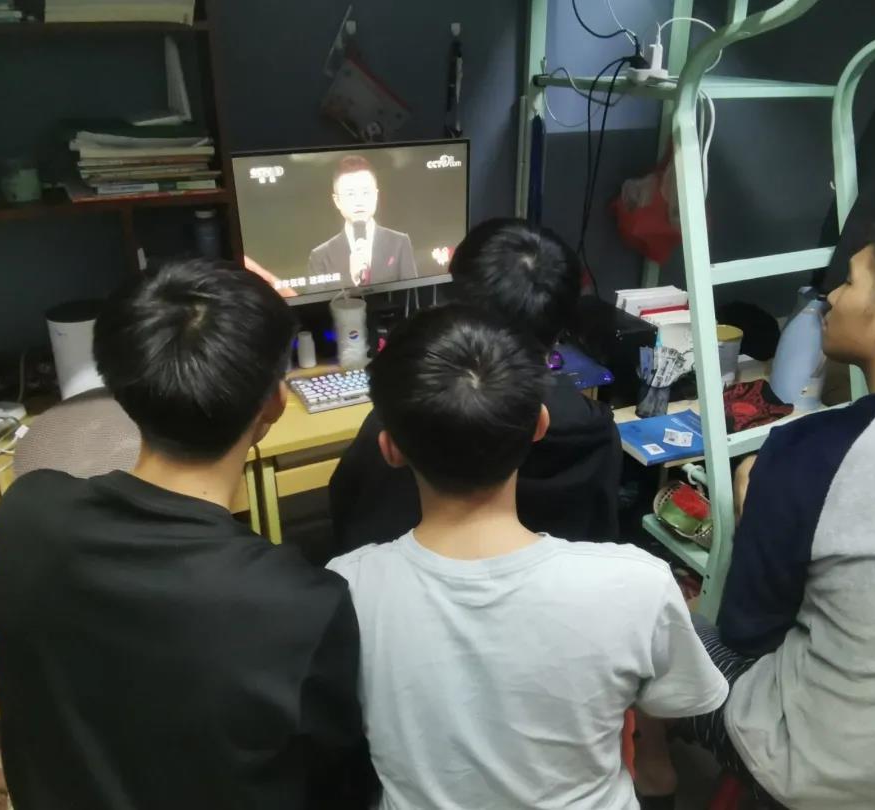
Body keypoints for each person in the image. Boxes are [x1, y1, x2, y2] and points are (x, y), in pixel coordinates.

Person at [641, 210, 875, 809]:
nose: (830, 297)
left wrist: (759, 507)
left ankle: (654, 776)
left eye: (851, 282)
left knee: (652, 615)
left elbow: (749, 635)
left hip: (822, 776)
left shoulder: (810, 451)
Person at [0, 259, 368, 810]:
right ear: (274, 402)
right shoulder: (302, 605)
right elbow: (339, 784)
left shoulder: (27, 512)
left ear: (117, 388)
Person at [327, 305, 728, 810]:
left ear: (389, 449)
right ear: (540, 424)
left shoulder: (345, 590)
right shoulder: (637, 585)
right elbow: (678, 699)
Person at [328, 218, 622, 557]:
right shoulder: (596, 433)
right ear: (561, 324)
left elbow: (351, 525)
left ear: (454, 306)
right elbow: (602, 540)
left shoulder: (403, 423)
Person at [308, 155, 417, 287]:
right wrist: (353, 280)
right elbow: (319, 300)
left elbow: (413, 294)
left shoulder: (399, 242)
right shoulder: (320, 256)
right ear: (337, 201)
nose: (359, 201)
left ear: (376, 195)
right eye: (350, 194)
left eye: (365, 193)